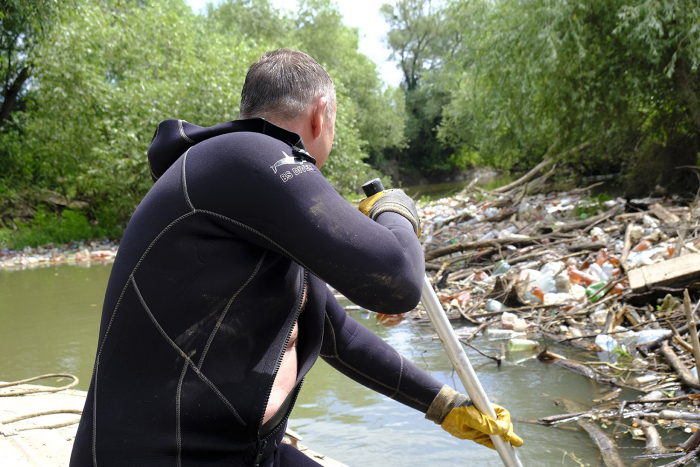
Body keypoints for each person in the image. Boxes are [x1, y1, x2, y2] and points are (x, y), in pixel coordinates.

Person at [70, 48, 522, 467]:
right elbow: (398, 280)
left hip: (239, 452)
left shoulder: (241, 185)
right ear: (320, 113)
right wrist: (397, 209)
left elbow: (331, 331)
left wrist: (445, 405)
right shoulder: (246, 157)